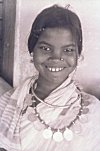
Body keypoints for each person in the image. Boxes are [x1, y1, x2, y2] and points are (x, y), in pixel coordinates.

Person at [0, 4, 100, 151]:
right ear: (32, 50)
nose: (56, 57)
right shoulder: (8, 104)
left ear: (78, 55)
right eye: (45, 48)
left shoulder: (93, 111)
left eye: (68, 50)